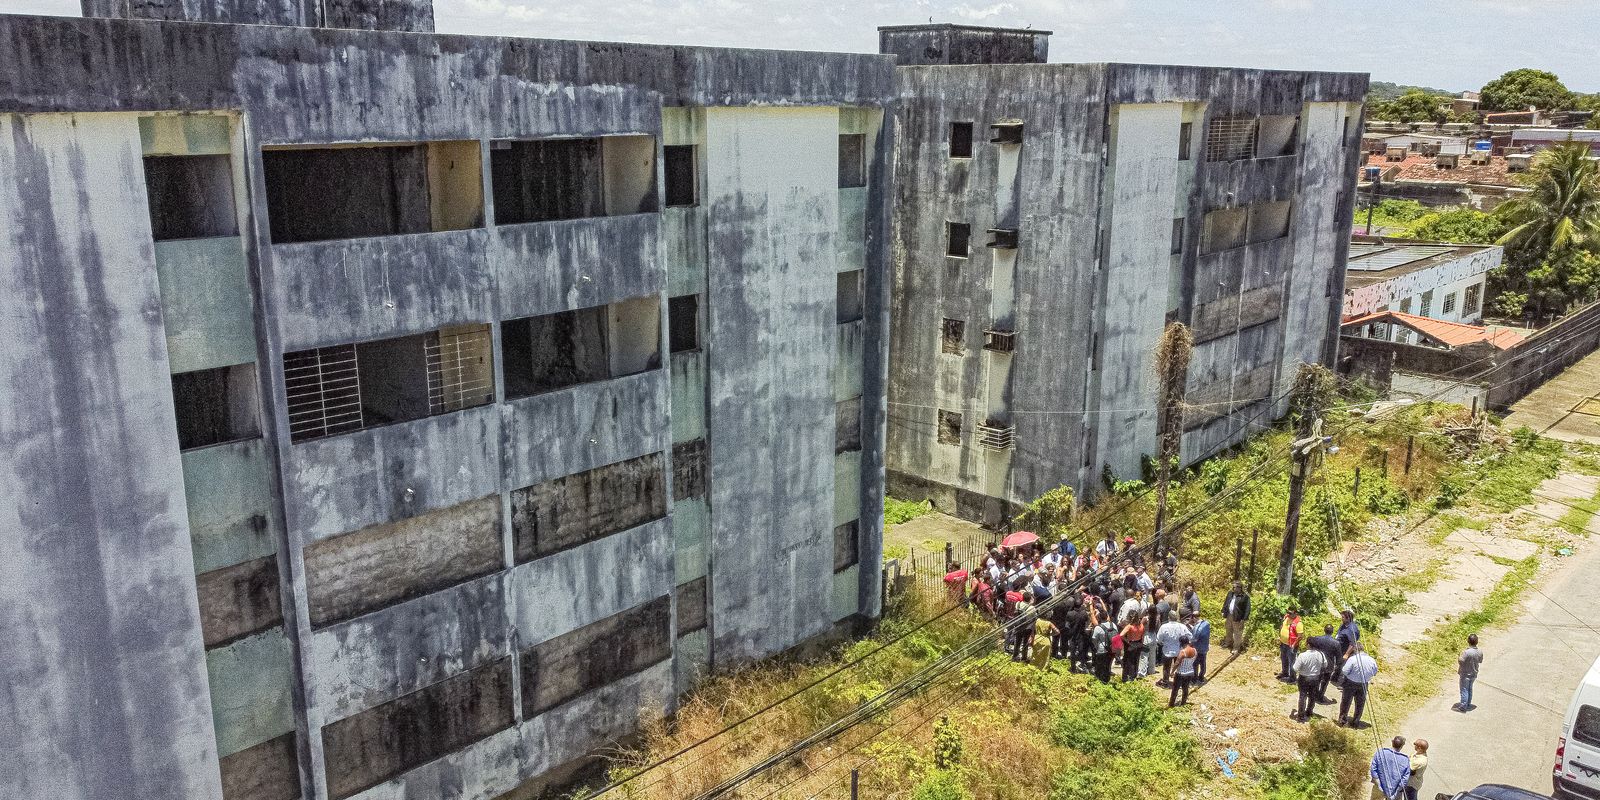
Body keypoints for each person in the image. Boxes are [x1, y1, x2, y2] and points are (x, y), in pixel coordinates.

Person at [1339, 643, 1378, 727]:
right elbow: (1374, 672)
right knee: (1360, 703)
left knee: (1346, 702)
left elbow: (1345, 671)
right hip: (1364, 683)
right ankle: (1356, 721)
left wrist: (1350, 675)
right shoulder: (1372, 660)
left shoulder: (1353, 659)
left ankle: (1342, 720)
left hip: (1350, 683)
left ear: (1355, 650)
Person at [1307, 625, 1343, 704]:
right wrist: (1338, 665)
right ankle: (1320, 697)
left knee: (1317, 679)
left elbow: (1311, 646)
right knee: (1325, 682)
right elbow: (1339, 657)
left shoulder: (1317, 639)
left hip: (1318, 662)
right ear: (1332, 631)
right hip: (1329, 665)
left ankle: (1314, 694)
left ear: (1324, 630)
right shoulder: (1336, 643)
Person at [1292, 645, 1326, 721]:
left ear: (1308, 645)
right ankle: (1309, 711)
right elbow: (1325, 665)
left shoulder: (1302, 655)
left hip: (1304, 678)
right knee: (1312, 696)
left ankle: (1301, 715)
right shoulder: (1321, 654)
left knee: (1302, 696)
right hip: (1315, 678)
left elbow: (1295, 668)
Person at [1156, 612, 1190, 688]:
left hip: (1167, 650)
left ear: (1169, 617)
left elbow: (1158, 639)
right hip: (1179, 650)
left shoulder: (1164, 627)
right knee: (1179, 667)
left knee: (1166, 667)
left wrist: (1163, 642)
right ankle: (1178, 682)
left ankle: (1165, 682)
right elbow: (1190, 636)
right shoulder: (1182, 626)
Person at [1455, 633, 1483, 711]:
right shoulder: (1480, 652)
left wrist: (1459, 657)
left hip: (1465, 674)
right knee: (1470, 689)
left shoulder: (1466, 652)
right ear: (1477, 642)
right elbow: (1480, 661)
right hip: (1474, 673)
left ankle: (1463, 706)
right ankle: (1468, 703)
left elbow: (1461, 661)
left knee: (1464, 689)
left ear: (1468, 641)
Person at [1222, 581, 1251, 654]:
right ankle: (1228, 643)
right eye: (1233, 587)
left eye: (1236, 587)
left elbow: (1247, 609)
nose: (1234, 589)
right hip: (1229, 615)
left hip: (1238, 617)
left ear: (1240, 588)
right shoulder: (1230, 594)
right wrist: (1223, 611)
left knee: (1237, 633)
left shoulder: (1245, 597)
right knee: (1228, 630)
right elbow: (1226, 602)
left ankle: (1236, 648)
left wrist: (1244, 619)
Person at [1170, 635, 1198, 707]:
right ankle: (1183, 703)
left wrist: (1172, 672)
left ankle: (1171, 704)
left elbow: (1177, 663)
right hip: (1190, 672)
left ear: (1181, 643)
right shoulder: (1194, 650)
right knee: (1185, 689)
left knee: (1175, 690)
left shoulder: (1183, 652)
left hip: (1181, 673)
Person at [1277, 606, 1304, 683]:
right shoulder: (1286, 618)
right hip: (1283, 643)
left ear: (1295, 613)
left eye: (1290, 613)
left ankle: (1292, 678)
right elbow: (1282, 626)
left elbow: (1300, 636)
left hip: (1291, 646)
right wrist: (1280, 636)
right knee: (1284, 659)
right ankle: (1285, 673)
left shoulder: (1298, 623)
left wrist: (1294, 644)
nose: (1288, 614)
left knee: (1292, 662)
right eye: (1288, 612)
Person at [1091, 614, 1117, 683]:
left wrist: (1096, 647)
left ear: (1099, 618)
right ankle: (1106, 680)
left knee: (1100, 667)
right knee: (1108, 666)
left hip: (1102, 650)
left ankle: (1100, 681)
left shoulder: (1098, 628)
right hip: (1112, 649)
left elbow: (1094, 639)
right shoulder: (1113, 625)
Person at [1120, 614, 1146, 683]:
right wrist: (1141, 643)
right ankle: (1133, 676)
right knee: (1136, 661)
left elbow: (1121, 635)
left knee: (1128, 662)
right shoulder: (1141, 626)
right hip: (1139, 644)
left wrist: (1127, 641)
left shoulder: (1129, 626)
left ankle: (1126, 678)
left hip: (1131, 643)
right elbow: (1143, 636)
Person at [1189, 612, 1212, 682]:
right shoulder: (1206, 623)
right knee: (1203, 663)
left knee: (1195, 664)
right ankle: (1201, 677)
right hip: (1205, 647)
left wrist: (1189, 643)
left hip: (1198, 649)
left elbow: (1194, 639)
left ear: (1194, 618)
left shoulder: (1197, 628)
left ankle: (1194, 678)